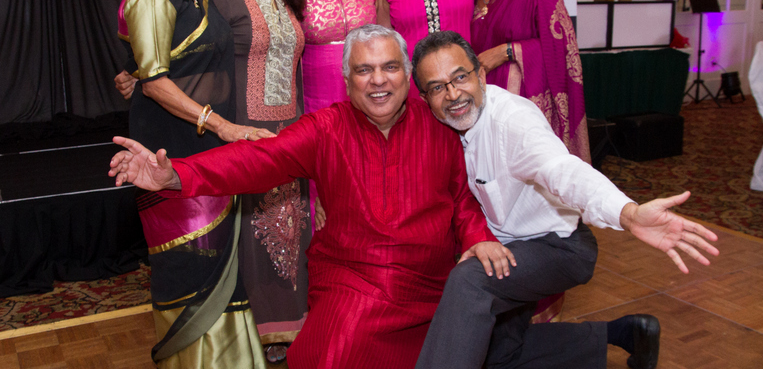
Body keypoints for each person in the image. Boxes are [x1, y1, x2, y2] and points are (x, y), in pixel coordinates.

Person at [108, 24, 513, 369]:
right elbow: (258, 159)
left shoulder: (439, 124)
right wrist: (176, 174)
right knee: (329, 355)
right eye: (364, 70)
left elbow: (463, 199)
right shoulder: (326, 128)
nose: (378, 80)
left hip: (427, 286)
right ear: (346, 79)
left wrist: (478, 238)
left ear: (408, 75)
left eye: (390, 67)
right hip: (354, 280)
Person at [410, 31, 720, 369]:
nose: (453, 94)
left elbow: (560, 170)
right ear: (425, 97)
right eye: (437, 87)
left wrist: (628, 214)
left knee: (469, 282)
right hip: (510, 248)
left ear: (481, 75)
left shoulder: (512, 121)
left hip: (560, 247)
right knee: (494, 355)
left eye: (460, 78)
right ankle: (625, 333)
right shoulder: (445, 128)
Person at [116, 0, 266, 367]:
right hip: (170, 152)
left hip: (207, 149)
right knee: (188, 263)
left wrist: (131, 73)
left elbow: (163, 62)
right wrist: (222, 125)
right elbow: (156, 82)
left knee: (217, 260)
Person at [206, 0, 311, 364]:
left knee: (293, 229)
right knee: (253, 233)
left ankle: (293, 323)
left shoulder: (290, 1)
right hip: (243, 131)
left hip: (289, 133)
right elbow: (195, 55)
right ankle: (253, 330)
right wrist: (138, 73)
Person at [456, 0, 591, 163]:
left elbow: (562, 48)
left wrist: (506, 51)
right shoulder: (468, 0)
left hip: (530, 114)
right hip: (487, 115)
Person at [293, 0, 389, 229]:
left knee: (371, 184)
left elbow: (385, 35)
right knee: (326, 187)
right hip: (316, 101)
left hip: (369, 96)